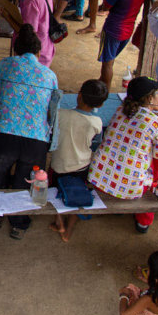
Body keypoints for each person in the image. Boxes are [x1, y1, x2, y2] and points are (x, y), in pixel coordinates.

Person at [0, 24, 59, 239]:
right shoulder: (49, 75)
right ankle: (19, 223)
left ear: (16, 50)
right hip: (36, 140)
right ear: (38, 52)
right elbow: (51, 108)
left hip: (5, 135)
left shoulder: (7, 64)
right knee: (25, 181)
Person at [88, 76, 158, 233]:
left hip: (98, 177)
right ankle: (143, 223)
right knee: (154, 172)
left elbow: (143, 123)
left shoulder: (121, 110)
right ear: (149, 98)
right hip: (128, 188)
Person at [49, 79, 109, 242]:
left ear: (79, 96)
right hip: (82, 166)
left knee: (55, 193)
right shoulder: (97, 122)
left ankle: (59, 221)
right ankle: (68, 231)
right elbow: (95, 145)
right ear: (101, 105)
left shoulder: (61, 115)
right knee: (77, 195)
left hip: (59, 165)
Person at [98, 0, 147, 88]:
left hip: (113, 29)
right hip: (128, 30)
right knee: (111, 60)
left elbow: (106, 7)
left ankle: (104, 91)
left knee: (107, 63)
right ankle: (102, 82)